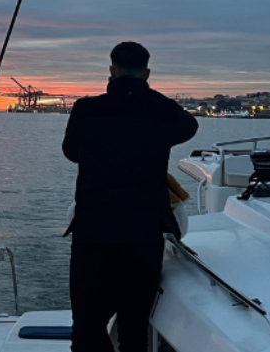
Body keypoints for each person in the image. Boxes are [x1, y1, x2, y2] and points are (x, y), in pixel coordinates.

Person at [61, 41, 199, 352]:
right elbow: (190, 126)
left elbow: (72, 153)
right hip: (143, 233)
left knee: (87, 327)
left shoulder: (86, 109)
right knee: (134, 330)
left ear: (111, 71)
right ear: (147, 72)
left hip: (93, 232)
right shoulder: (163, 110)